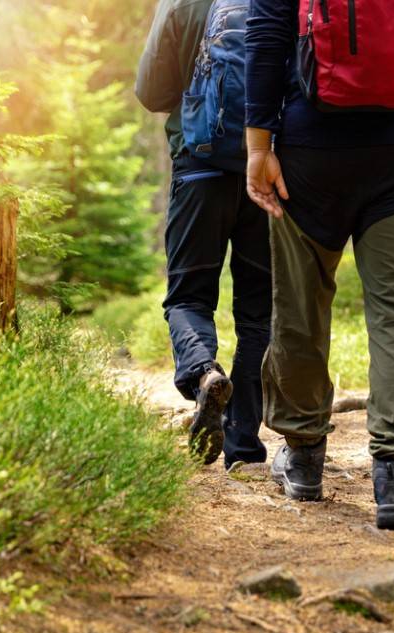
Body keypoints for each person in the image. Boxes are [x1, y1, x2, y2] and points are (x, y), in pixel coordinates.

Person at [245, 0, 394, 530]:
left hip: (308, 152)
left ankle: (303, 459)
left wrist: (259, 145)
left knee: (301, 306)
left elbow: (263, 40)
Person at [136, 0, 273, 470]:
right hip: (268, 171)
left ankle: (202, 373)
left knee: (187, 299)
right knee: (258, 313)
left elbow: (152, 92)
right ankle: (245, 448)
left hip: (199, 167)